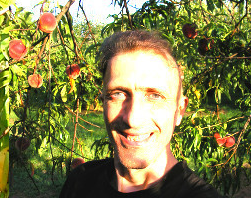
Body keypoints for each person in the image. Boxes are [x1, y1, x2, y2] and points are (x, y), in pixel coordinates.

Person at [59, 30, 223, 198]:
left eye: (155, 96)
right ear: (103, 103)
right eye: (118, 94)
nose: (133, 119)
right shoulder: (80, 181)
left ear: (179, 110)